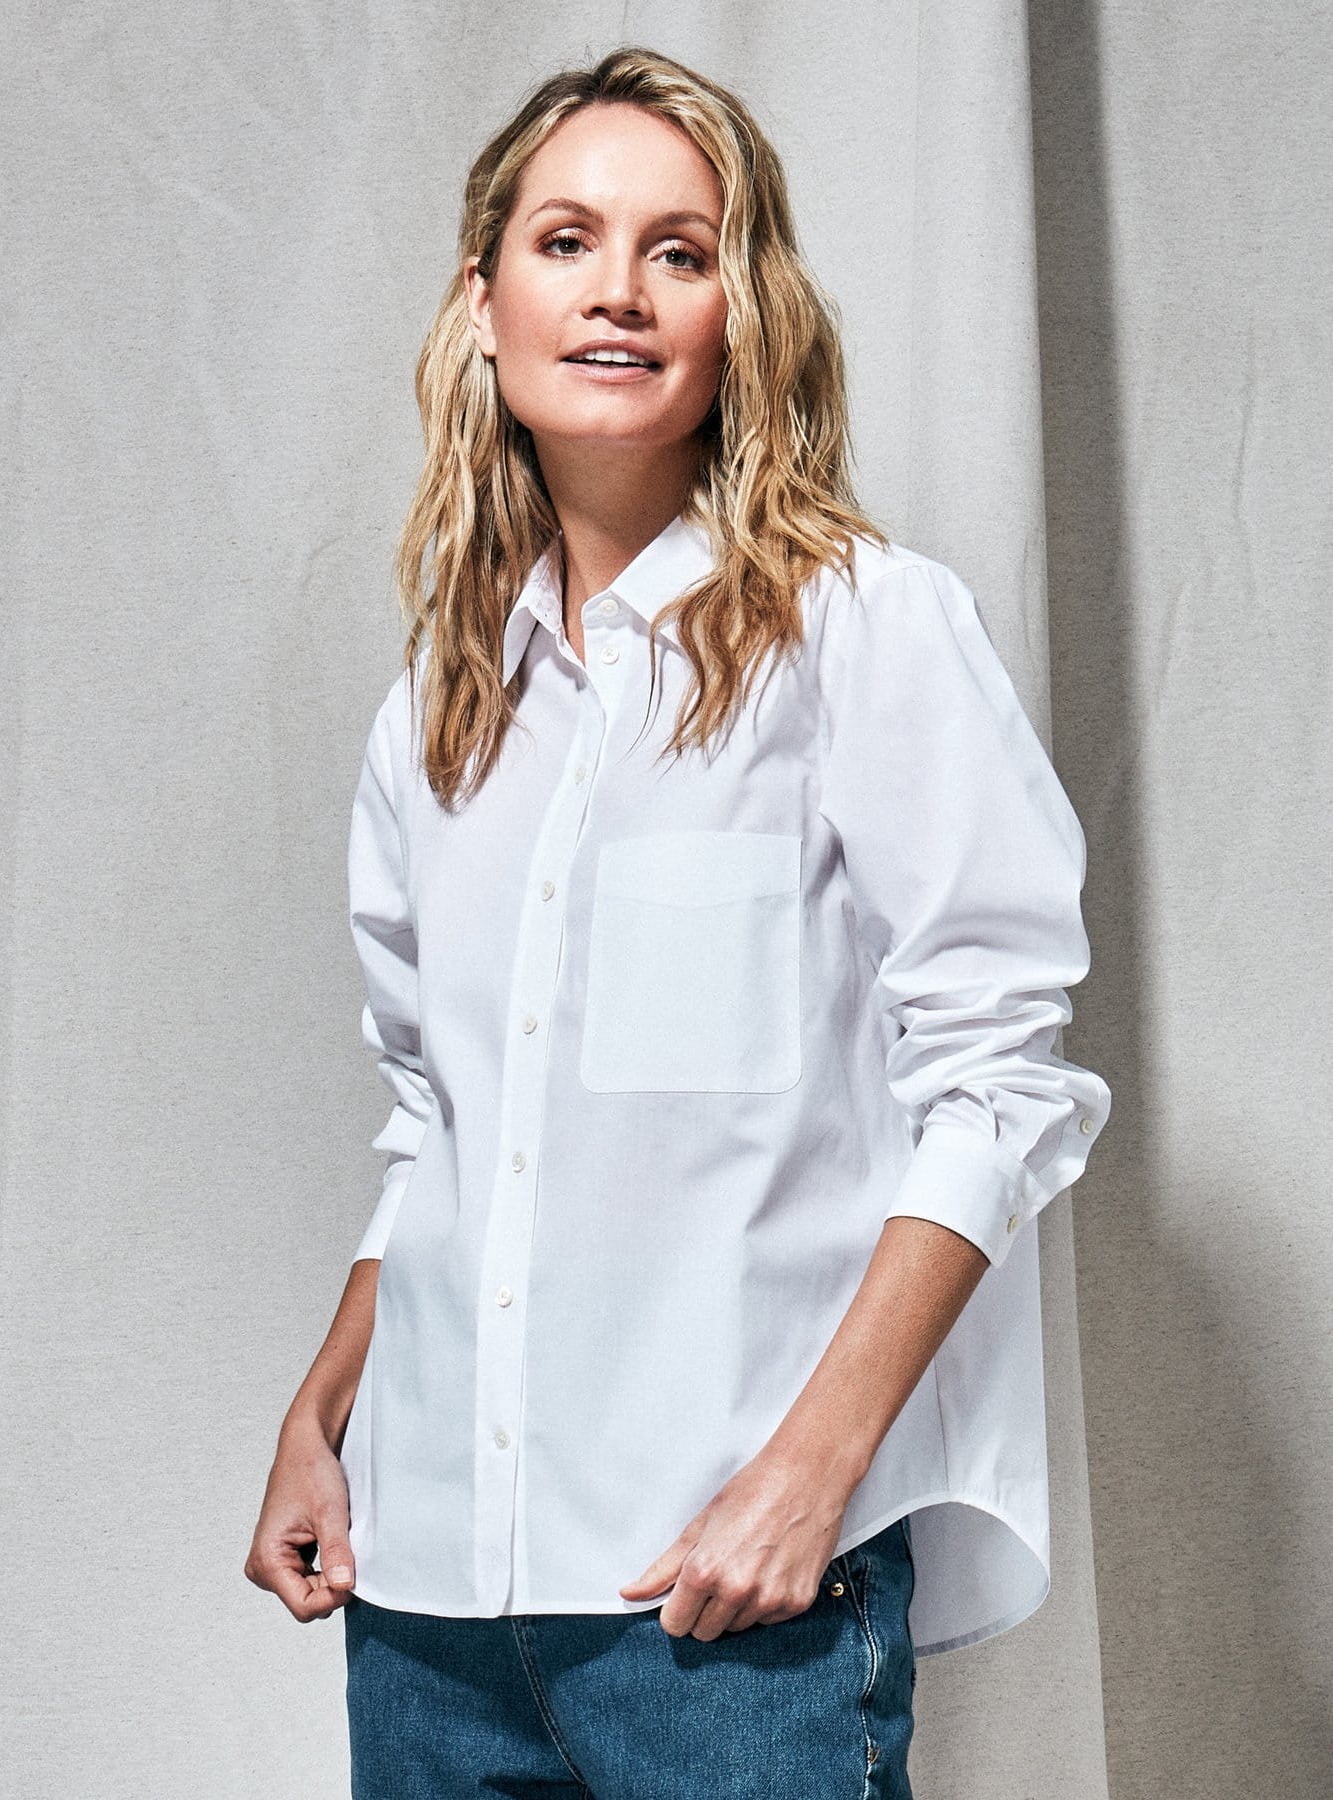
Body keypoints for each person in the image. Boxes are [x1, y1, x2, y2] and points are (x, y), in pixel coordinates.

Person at [244, 44, 1111, 1800]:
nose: (618, 293)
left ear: (742, 314)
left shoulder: (862, 631)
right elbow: (434, 1125)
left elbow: (999, 1084)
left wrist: (812, 1474)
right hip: (421, 1615)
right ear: (483, 303)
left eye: (679, 251)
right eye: (565, 241)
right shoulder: (438, 715)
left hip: (721, 1619)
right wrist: (320, 1417)